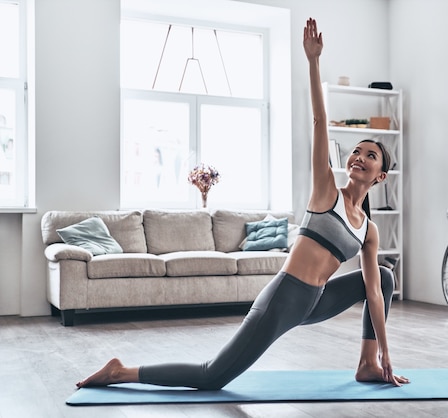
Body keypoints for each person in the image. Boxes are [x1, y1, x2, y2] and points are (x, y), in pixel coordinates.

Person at [76, 18, 408, 390]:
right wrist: (313, 62)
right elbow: (319, 121)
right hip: (285, 299)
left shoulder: (369, 230)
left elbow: (375, 292)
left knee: (385, 275)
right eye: (357, 151)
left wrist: (385, 354)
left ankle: (365, 364)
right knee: (212, 376)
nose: (359, 157)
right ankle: (121, 371)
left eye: (371, 155)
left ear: (381, 176)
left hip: (317, 300)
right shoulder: (326, 189)